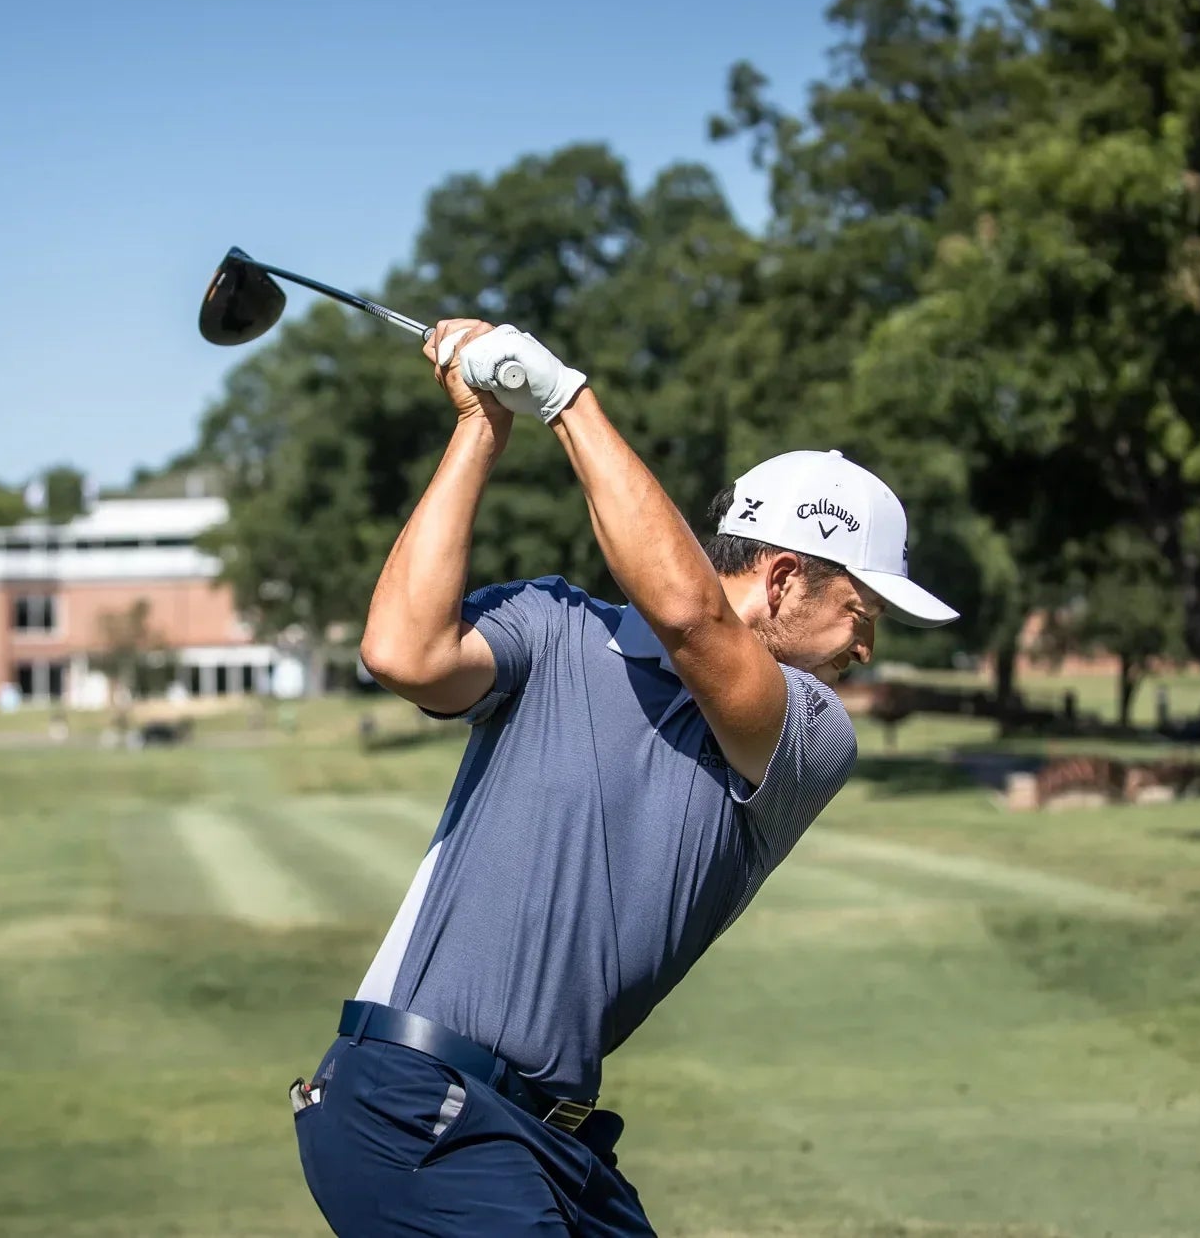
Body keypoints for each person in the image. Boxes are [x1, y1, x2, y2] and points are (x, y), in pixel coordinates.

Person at [291, 319, 959, 1237]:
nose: (866, 646)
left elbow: (692, 621)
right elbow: (404, 652)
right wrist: (482, 424)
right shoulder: (556, 626)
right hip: (412, 1104)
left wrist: (564, 397)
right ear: (783, 577)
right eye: (861, 609)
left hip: (547, 1138)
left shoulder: (813, 732)